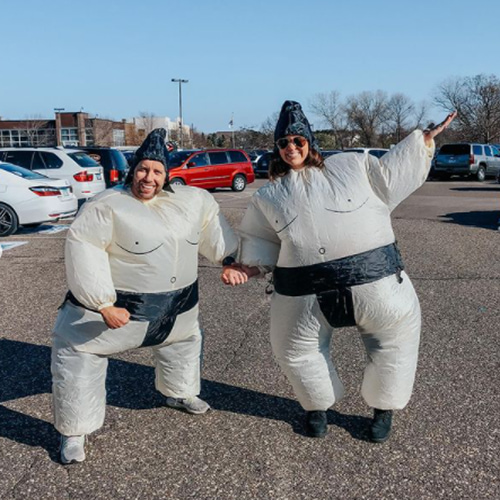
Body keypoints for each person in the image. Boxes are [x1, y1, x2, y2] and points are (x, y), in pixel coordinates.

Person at [222, 101, 456, 442]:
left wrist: (422, 142)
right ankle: (317, 408)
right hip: (304, 295)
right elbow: (262, 246)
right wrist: (244, 269)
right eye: (284, 143)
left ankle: (383, 411)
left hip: (376, 284)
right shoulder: (270, 196)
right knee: (294, 350)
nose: (290, 148)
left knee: (395, 344)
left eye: (297, 141)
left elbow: (392, 173)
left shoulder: (352, 167)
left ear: (310, 143)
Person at [52, 128, 238, 464]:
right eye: (142, 169)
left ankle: (180, 393)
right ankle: (74, 431)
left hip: (178, 310)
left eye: (156, 171)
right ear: (131, 169)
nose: (148, 177)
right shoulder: (107, 205)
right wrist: (102, 303)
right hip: (120, 315)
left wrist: (228, 258)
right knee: (78, 354)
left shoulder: (190, 201)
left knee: (184, 343)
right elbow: (84, 247)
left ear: (166, 175)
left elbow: (210, 220)